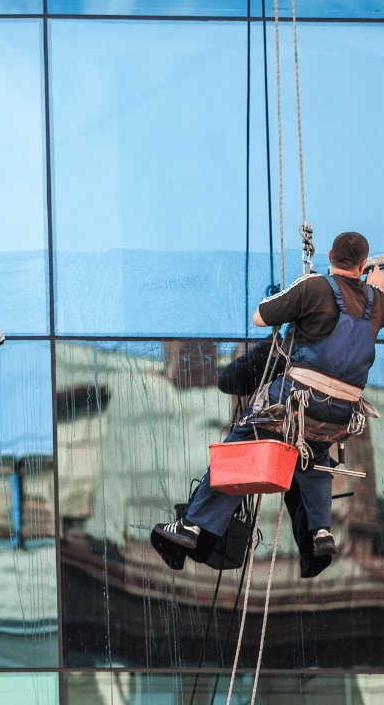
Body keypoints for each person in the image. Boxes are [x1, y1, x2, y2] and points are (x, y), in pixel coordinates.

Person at [154, 232, 384, 561]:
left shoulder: (315, 286)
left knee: (239, 448)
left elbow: (261, 316)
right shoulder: (376, 304)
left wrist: (301, 291)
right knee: (315, 455)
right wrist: (376, 284)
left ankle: (192, 526)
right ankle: (321, 532)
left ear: (331, 253)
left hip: (298, 397)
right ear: (362, 265)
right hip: (343, 413)